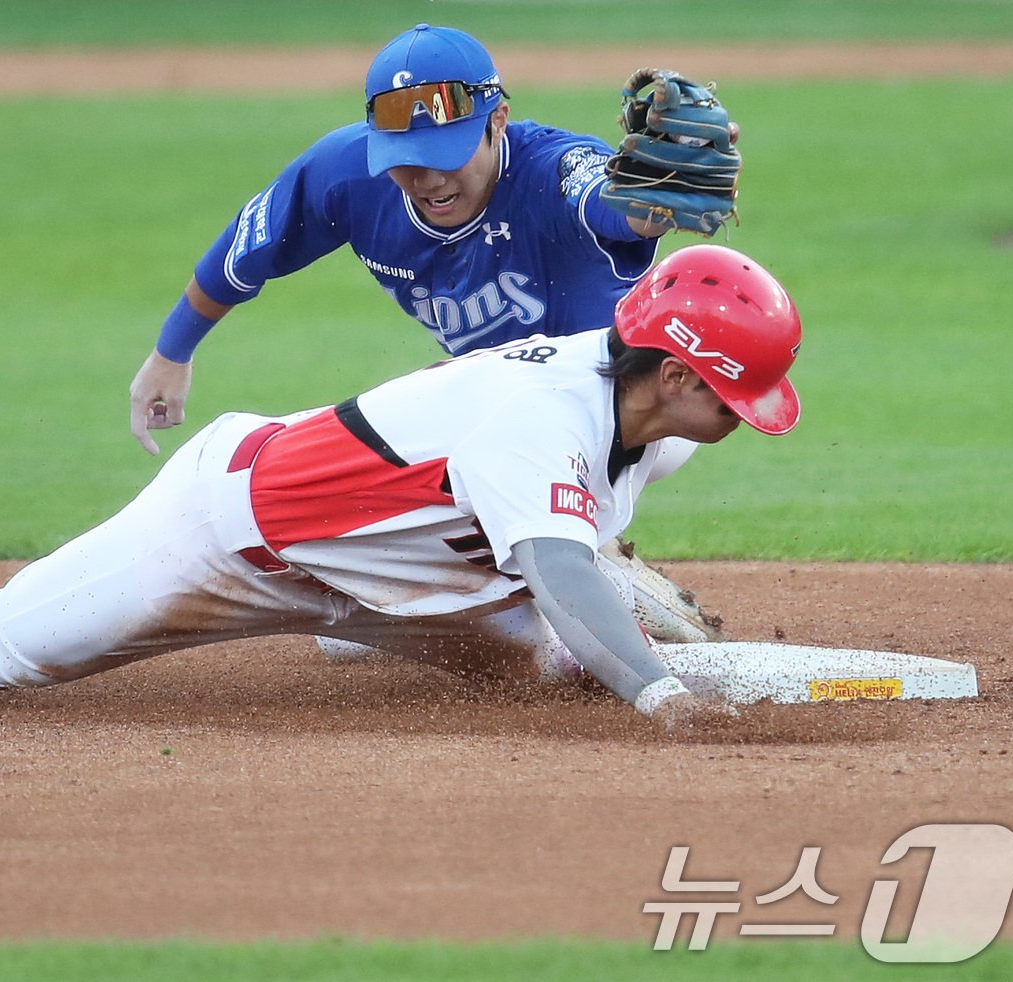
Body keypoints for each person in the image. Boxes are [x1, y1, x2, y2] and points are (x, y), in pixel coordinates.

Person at [0, 246, 799, 734]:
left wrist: (609, 607)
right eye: (734, 396)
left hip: (385, 567)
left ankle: (371, 629)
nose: (741, 422)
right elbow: (554, 561)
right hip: (225, 540)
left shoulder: (653, 425)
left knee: (559, 661)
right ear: (671, 372)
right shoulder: (534, 421)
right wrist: (660, 696)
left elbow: (570, 553)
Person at [127, 23, 740, 643]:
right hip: (499, 413)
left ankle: (592, 561)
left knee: (549, 631)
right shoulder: (347, 176)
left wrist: (648, 205)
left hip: (628, 413)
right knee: (353, 639)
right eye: (404, 161)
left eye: (445, 155)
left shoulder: (556, 170)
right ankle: (566, 568)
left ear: (497, 120)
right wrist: (170, 352)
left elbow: (613, 201)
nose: (426, 179)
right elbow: (244, 253)